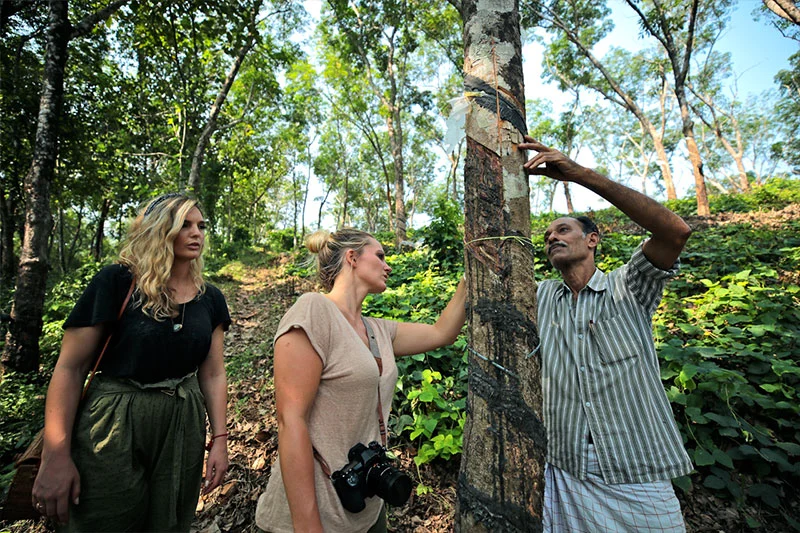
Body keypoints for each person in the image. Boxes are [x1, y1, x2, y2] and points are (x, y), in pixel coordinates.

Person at [518, 137, 694, 532]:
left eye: (563, 229)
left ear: (592, 239)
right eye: (547, 236)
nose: (552, 237)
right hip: (565, 467)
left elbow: (675, 232)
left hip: (636, 466)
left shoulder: (627, 287)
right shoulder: (540, 297)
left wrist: (579, 175)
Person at [32, 193, 231, 531]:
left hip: (182, 424)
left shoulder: (210, 298)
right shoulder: (117, 282)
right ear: (159, 229)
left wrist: (220, 440)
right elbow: (70, 368)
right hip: (113, 424)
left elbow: (212, 373)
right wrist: (56, 456)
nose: (196, 233)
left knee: (169, 521)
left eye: (201, 226)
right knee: (103, 519)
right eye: (184, 225)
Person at [255, 228, 466, 533]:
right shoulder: (315, 310)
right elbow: (291, 420)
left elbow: (441, 333)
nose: (388, 266)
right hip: (315, 511)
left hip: (366, 506)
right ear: (352, 258)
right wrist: (307, 525)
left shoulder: (378, 330)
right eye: (380, 256)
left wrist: (470, 277)